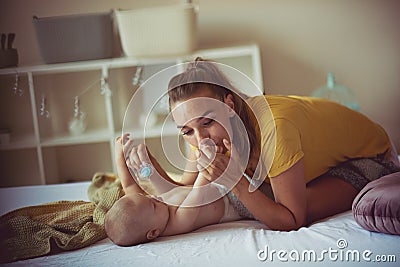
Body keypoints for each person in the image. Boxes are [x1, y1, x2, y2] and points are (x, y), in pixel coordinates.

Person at [124, 57, 399, 232]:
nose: (200, 140)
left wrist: (237, 183)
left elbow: (292, 219)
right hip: (315, 164)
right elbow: (186, 193)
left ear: (229, 105)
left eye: (206, 123)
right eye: (186, 131)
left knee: (270, 203)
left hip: (373, 158)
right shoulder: (203, 134)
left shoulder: (274, 130)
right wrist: (146, 169)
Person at [104, 134, 244, 246]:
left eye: (147, 197)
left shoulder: (152, 210)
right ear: (153, 233)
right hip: (234, 201)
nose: (154, 197)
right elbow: (198, 191)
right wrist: (207, 162)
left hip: (219, 186)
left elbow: (129, 187)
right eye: (153, 205)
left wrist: (119, 158)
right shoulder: (178, 222)